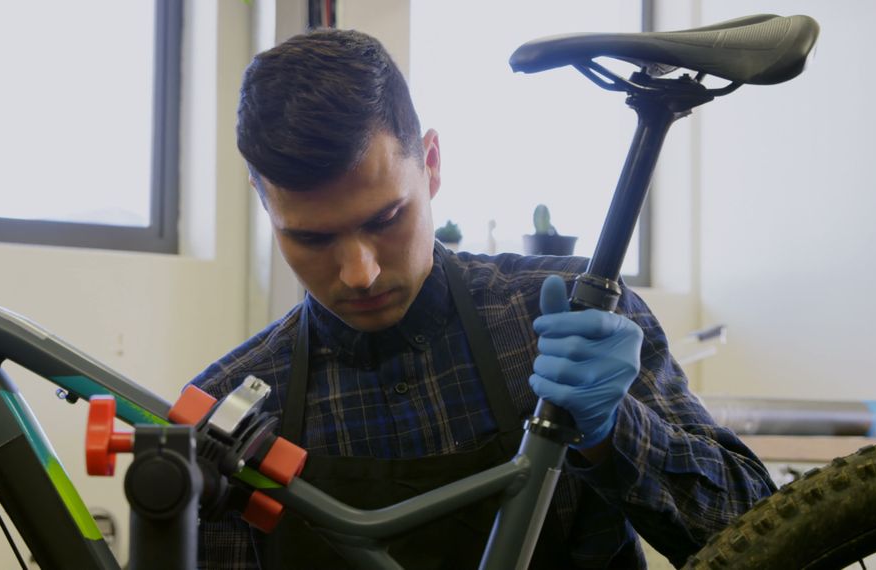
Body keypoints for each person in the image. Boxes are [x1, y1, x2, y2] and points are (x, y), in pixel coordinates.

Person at [190, 27, 775, 569]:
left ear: (433, 164)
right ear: (263, 201)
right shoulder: (230, 415)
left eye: (387, 218)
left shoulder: (570, 321)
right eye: (311, 237)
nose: (360, 273)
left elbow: (774, 542)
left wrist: (615, 432)